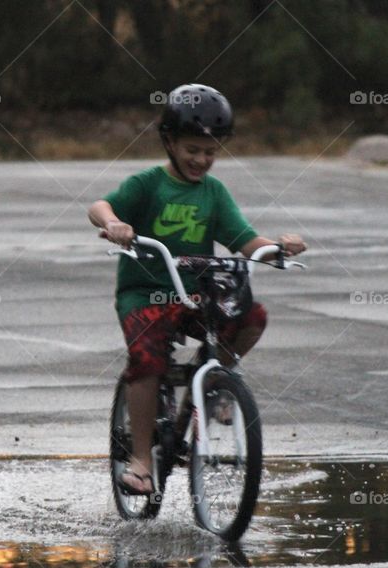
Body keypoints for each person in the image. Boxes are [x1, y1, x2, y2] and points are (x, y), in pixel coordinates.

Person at [88, 83, 306, 495]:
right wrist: (114, 223)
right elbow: (98, 206)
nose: (201, 160)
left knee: (251, 316)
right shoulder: (149, 184)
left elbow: (245, 239)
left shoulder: (214, 193)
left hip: (194, 295)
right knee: (147, 359)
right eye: (192, 149)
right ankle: (139, 461)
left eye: (210, 152)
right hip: (146, 294)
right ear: (169, 142)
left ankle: (213, 384)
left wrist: (278, 247)